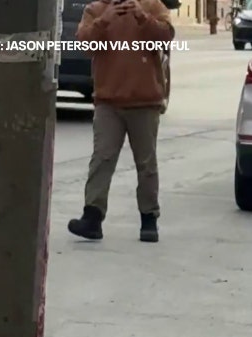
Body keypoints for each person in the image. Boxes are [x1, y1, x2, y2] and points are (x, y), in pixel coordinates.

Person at [68, 0, 175, 243]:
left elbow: (165, 37)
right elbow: (85, 43)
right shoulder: (96, 9)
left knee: (146, 163)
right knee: (101, 159)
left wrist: (142, 17)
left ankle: (149, 218)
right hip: (109, 101)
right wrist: (104, 19)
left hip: (145, 101)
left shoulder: (152, 6)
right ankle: (92, 217)